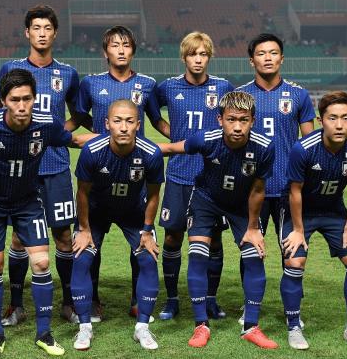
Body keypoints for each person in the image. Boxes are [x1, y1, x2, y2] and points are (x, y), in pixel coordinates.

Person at [0, 69, 93, 356]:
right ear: (3, 100)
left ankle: (44, 332)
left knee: (42, 262)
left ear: (34, 98)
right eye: (15, 99)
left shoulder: (46, 123)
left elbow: (73, 140)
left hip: (28, 203)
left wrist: (113, 140)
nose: (21, 106)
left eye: (27, 99)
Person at [158, 91, 278, 349]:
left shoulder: (264, 146)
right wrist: (131, 146)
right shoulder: (206, 139)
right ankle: (201, 325)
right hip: (206, 201)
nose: (237, 126)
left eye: (244, 120)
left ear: (253, 121)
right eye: (231, 119)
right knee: (198, 254)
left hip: (241, 205)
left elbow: (258, 190)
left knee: (254, 256)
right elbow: (169, 148)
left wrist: (254, 227)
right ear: (219, 119)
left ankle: (251, 327)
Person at [0, 5, 80, 325]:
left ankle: (68, 302)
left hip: (54, 166)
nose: (42, 33)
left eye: (47, 28)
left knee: (63, 236)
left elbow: (79, 114)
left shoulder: (67, 73)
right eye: (36, 28)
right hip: (20, 168)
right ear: (27, 33)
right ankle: (16, 304)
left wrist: (57, 135)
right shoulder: (9, 70)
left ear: (55, 33)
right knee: (18, 238)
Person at [76, 25, 170, 322]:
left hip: (134, 175)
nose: (120, 49)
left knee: (141, 245)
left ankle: (135, 299)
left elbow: (156, 119)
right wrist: (72, 138)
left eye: (126, 45)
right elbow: (79, 117)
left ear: (132, 50)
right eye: (114, 45)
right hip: (102, 167)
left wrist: (180, 142)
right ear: (105, 52)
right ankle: (92, 301)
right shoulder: (90, 83)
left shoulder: (147, 83)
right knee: (91, 244)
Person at [279, 91, 347, 350]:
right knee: (295, 260)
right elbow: (295, 192)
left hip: (334, 211)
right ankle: (294, 327)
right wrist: (298, 230)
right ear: (322, 120)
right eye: (333, 118)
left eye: (345, 118)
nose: (340, 124)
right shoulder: (304, 149)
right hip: (300, 211)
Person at [70, 100, 163, 351]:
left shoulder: (151, 153)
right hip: (97, 210)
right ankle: (84, 327)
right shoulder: (92, 150)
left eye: (129, 121)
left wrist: (147, 231)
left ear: (138, 125)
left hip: (133, 211)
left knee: (148, 258)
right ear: (107, 124)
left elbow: (154, 195)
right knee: (81, 257)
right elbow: (82, 193)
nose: (123, 127)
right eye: (118, 121)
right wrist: (84, 229)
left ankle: (142, 328)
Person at [236, 33, 314, 326]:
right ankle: (249, 305)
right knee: (249, 250)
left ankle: (291, 307)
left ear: (282, 58)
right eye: (261, 53)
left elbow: (310, 142)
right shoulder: (240, 96)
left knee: (291, 250)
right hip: (250, 187)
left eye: (273, 52)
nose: (267, 57)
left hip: (286, 186)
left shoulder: (298, 94)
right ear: (251, 60)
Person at [155, 31, 234, 321]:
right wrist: (172, 134)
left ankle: (211, 299)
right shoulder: (167, 87)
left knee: (213, 239)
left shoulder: (223, 87)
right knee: (173, 237)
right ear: (184, 57)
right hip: (178, 173)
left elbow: (233, 120)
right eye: (192, 54)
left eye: (203, 54)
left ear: (209, 56)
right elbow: (152, 113)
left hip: (212, 177)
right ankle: (172, 299)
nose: (198, 60)